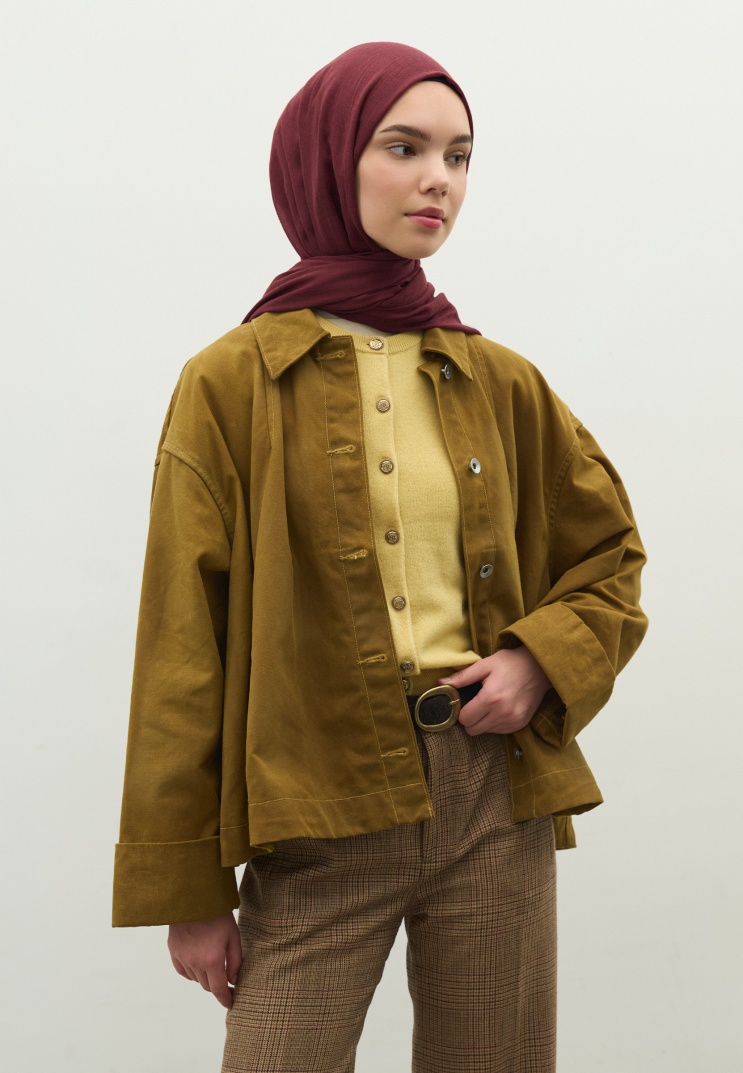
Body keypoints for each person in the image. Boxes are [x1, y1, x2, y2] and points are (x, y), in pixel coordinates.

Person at [113, 41, 648, 1073]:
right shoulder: (231, 382)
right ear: (326, 160)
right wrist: (188, 889)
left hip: (491, 794)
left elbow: (609, 554)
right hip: (312, 802)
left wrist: (537, 660)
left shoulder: (497, 377)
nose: (437, 178)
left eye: (458, 155)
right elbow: (181, 645)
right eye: (403, 147)